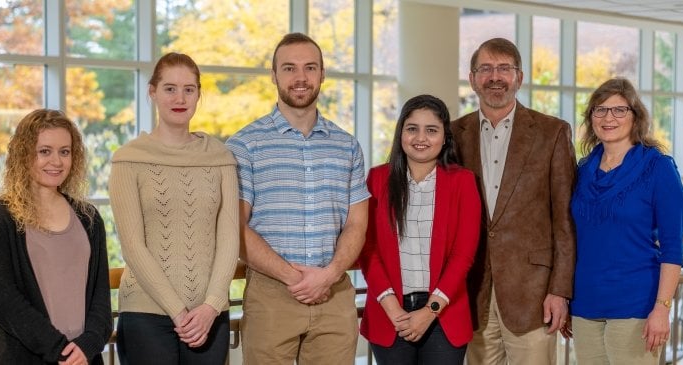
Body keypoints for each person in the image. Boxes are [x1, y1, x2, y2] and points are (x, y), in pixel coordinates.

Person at [225, 32, 370, 365]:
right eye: (289, 68)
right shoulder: (245, 145)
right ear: (274, 75)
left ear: (322, 74)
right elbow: (235, 227)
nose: (300, 77)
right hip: (271, 294)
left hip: (334, 294)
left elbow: (357, 223)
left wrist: (329, 274)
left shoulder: (347, 146)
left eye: (310, 67)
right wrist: (296, 279)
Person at [450, 37, 577, 364]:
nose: (496, 77)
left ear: (519, 77)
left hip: (533, 294)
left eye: (504, 69)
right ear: (472, 78)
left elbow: (565, 220)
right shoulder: (453, 135)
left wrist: (560, 291)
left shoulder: (553, 133)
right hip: (473, 290)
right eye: (486, 69)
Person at [109, 52, 239, 364]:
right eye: (169, 88)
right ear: (152, 92)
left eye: (189, 89)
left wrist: (211, 305)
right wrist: (179, 312)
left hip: (209, 316)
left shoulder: (221, 157)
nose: (179, 98)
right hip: (145, 313)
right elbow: (133, 246)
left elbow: (230, 239)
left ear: (198, 95)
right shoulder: (128, 159)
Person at [0, 109, 112, 364]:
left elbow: (101, 298)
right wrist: (60, 350)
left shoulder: (89, 217)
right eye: (44, 151)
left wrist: (86, 346)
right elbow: (5, 301)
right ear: (24, 155)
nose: (56, 161)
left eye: (65, 151)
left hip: (83, 358)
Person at [566, 78, 683, 364]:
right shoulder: (582, 170)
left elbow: (672, 248)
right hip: (585, 306)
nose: (609, 118)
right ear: (590, 117)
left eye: (619, 110)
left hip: (636, 308)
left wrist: (662, 308)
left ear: (636, 116)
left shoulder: (658, 168)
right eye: (600, 110)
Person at [358, 94, 481, 364]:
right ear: (401, 132)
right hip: (390, 311)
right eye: (412, 128)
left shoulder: (463, 181)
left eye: (432, 130)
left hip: (443, 313)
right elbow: (367, 249)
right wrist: (391, 308)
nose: (420, 138)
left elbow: (463, 256)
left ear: (445, 137)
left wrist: (430, 310)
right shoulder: (378, 179)